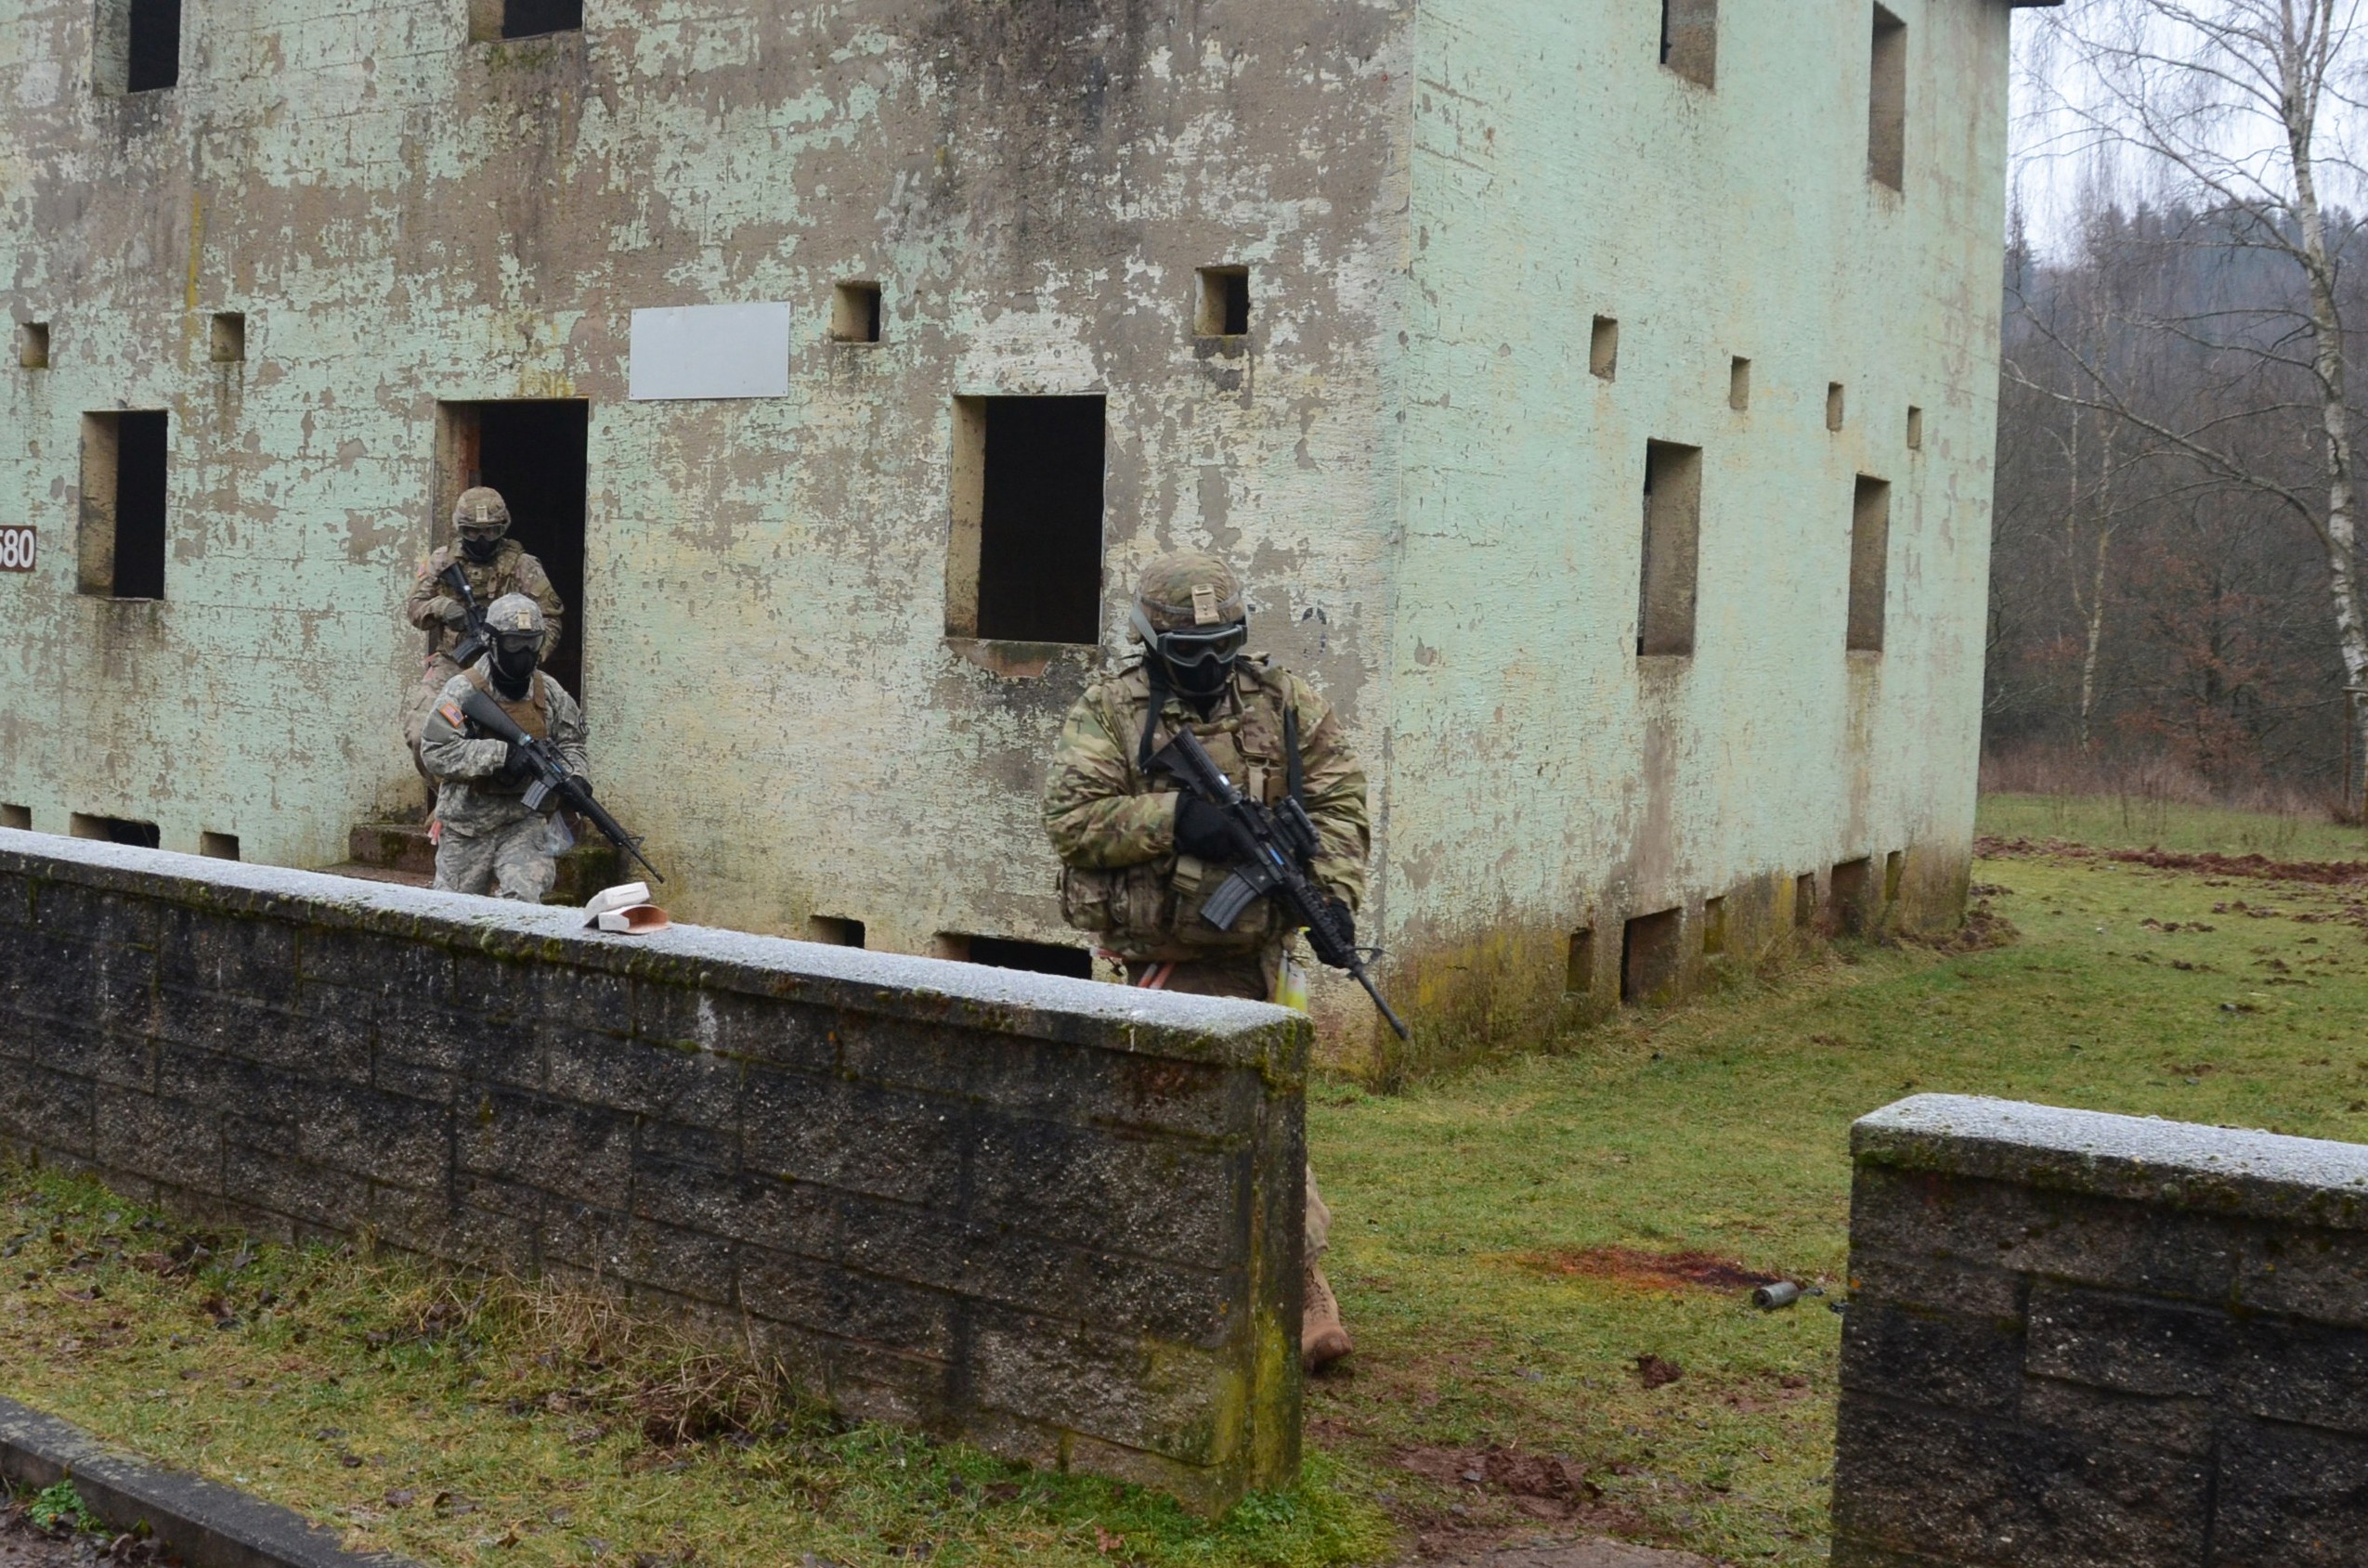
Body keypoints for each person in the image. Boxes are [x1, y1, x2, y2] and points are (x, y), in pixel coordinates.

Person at [1043, 551, 1371, 1373]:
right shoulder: (1110, 710)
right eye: (1188, 649)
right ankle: (1206, 1291)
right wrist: (1176, 819)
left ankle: (1300, 1286)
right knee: (1164, 1127)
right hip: (1157, 959)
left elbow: (1338, 800)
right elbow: (1072, 819)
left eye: (1222, 643)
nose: (1207, 663)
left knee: (1264, 1115)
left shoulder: (1284, 704)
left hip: (1259, 954)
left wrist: (1328, 897)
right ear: (1152, 641)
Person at [417, 594, 588, 902]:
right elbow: (436, 752)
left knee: (523, 905)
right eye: (513, 643)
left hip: (524, 822)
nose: (524, 653)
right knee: (453, 915)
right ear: (492, 641)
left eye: (531, 643)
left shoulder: (548, 691)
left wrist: (576, 777)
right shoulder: (463, 690)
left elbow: (571, 742)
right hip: (468, 826)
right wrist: (500, 755)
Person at [399, 486, 566, 783]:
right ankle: (448, 798)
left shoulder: (523, 566)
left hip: (506, 669)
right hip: (453, 665)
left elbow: (550, 619)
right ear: (459, 529)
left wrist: (527, 660)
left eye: (490, 532)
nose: (481, 540)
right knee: (420, 728)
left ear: (502, 528)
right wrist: (440, 606)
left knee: (524, 740)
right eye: (472, 532)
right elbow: (414, 608)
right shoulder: (442, 562)